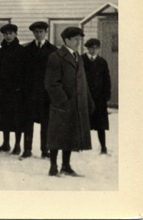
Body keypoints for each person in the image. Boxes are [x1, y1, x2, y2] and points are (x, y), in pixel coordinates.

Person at [45, 27, 94, 177]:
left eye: (80, 39)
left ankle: (66, 166)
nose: (78, 42)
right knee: (57, 135)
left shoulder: (78, 56)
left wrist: (89, 101)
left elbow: (83, 82)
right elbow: (51, 83)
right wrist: (63, 101)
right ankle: (53, 166)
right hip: (62, 104)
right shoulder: (56, 56)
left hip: (77, 104)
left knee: (70, 135)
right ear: (66, 40)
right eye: (75, 39)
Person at [21, 21, 57, 159]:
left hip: (46, 94)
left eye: (41, 32)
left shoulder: (53, 50)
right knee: (28, 122)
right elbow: (22, 72)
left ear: (46, 32)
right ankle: (27, 149)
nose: (38, 34)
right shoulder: (27, 50)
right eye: (36, 32)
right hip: (30, 93)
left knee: (46, 122)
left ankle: (45, 149)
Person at [0, 24, 26, 155]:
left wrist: (20, 88)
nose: (8, 36)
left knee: (17, 119)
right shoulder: (0, 52)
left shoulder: (22, 51)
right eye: (6, 34)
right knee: (4, 117)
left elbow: (25, 73)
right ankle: (6, 143)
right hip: (3, 90)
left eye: (11, 33)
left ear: (16, 34)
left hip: (17, 91)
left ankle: (17, 145)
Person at [82, 38, 111, 155]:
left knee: (100, 124)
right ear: (87, 48)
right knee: (84, 122)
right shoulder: (81, 60)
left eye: (96, 48)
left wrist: (106, 95)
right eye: (91, 48)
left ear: (99, 49)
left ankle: (103, 146)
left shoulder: (102, 62)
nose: (94, 50)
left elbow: (106, 80)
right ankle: (82, 146)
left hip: (99, 98)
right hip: (85, 96)